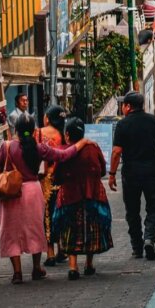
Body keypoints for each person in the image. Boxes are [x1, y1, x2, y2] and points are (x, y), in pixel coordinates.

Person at [0, 114, 85, 285]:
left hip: (12, 191)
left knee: (10, 230)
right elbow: (63, 155)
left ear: (15, 129)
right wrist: (81, 144)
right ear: (34, 130)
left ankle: (17, 273)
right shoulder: (40, 148)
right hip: (33, 190)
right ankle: (36, 268)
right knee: (35, 229)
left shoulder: (6, 146)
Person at [109, 92, 155, 260]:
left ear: (128, 106)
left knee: (132, 211)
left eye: (123, 105)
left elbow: (117, 152)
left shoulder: (122, 125)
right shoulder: (152, 120)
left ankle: (137, 247)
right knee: (153, 207)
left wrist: (111, 174)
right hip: (151, 172)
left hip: (130, 174)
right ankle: (149, 238)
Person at [51, 117, 113, 280]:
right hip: (93, 195)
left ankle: (73, 266)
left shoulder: (64, 150)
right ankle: (89, 264)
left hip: (70, 196)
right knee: (92, 228)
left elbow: (56, 177)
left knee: (70, 229)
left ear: (67, 134)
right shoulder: (93, 148)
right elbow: (102, 172)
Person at [36, 104, 68, 267]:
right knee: (61, 213)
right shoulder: (64, 135)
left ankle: (50, 253)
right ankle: (63, 248)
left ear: (47, 118)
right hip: (61, 180)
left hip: (44, 181)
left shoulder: (39, 133)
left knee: (46, 215)